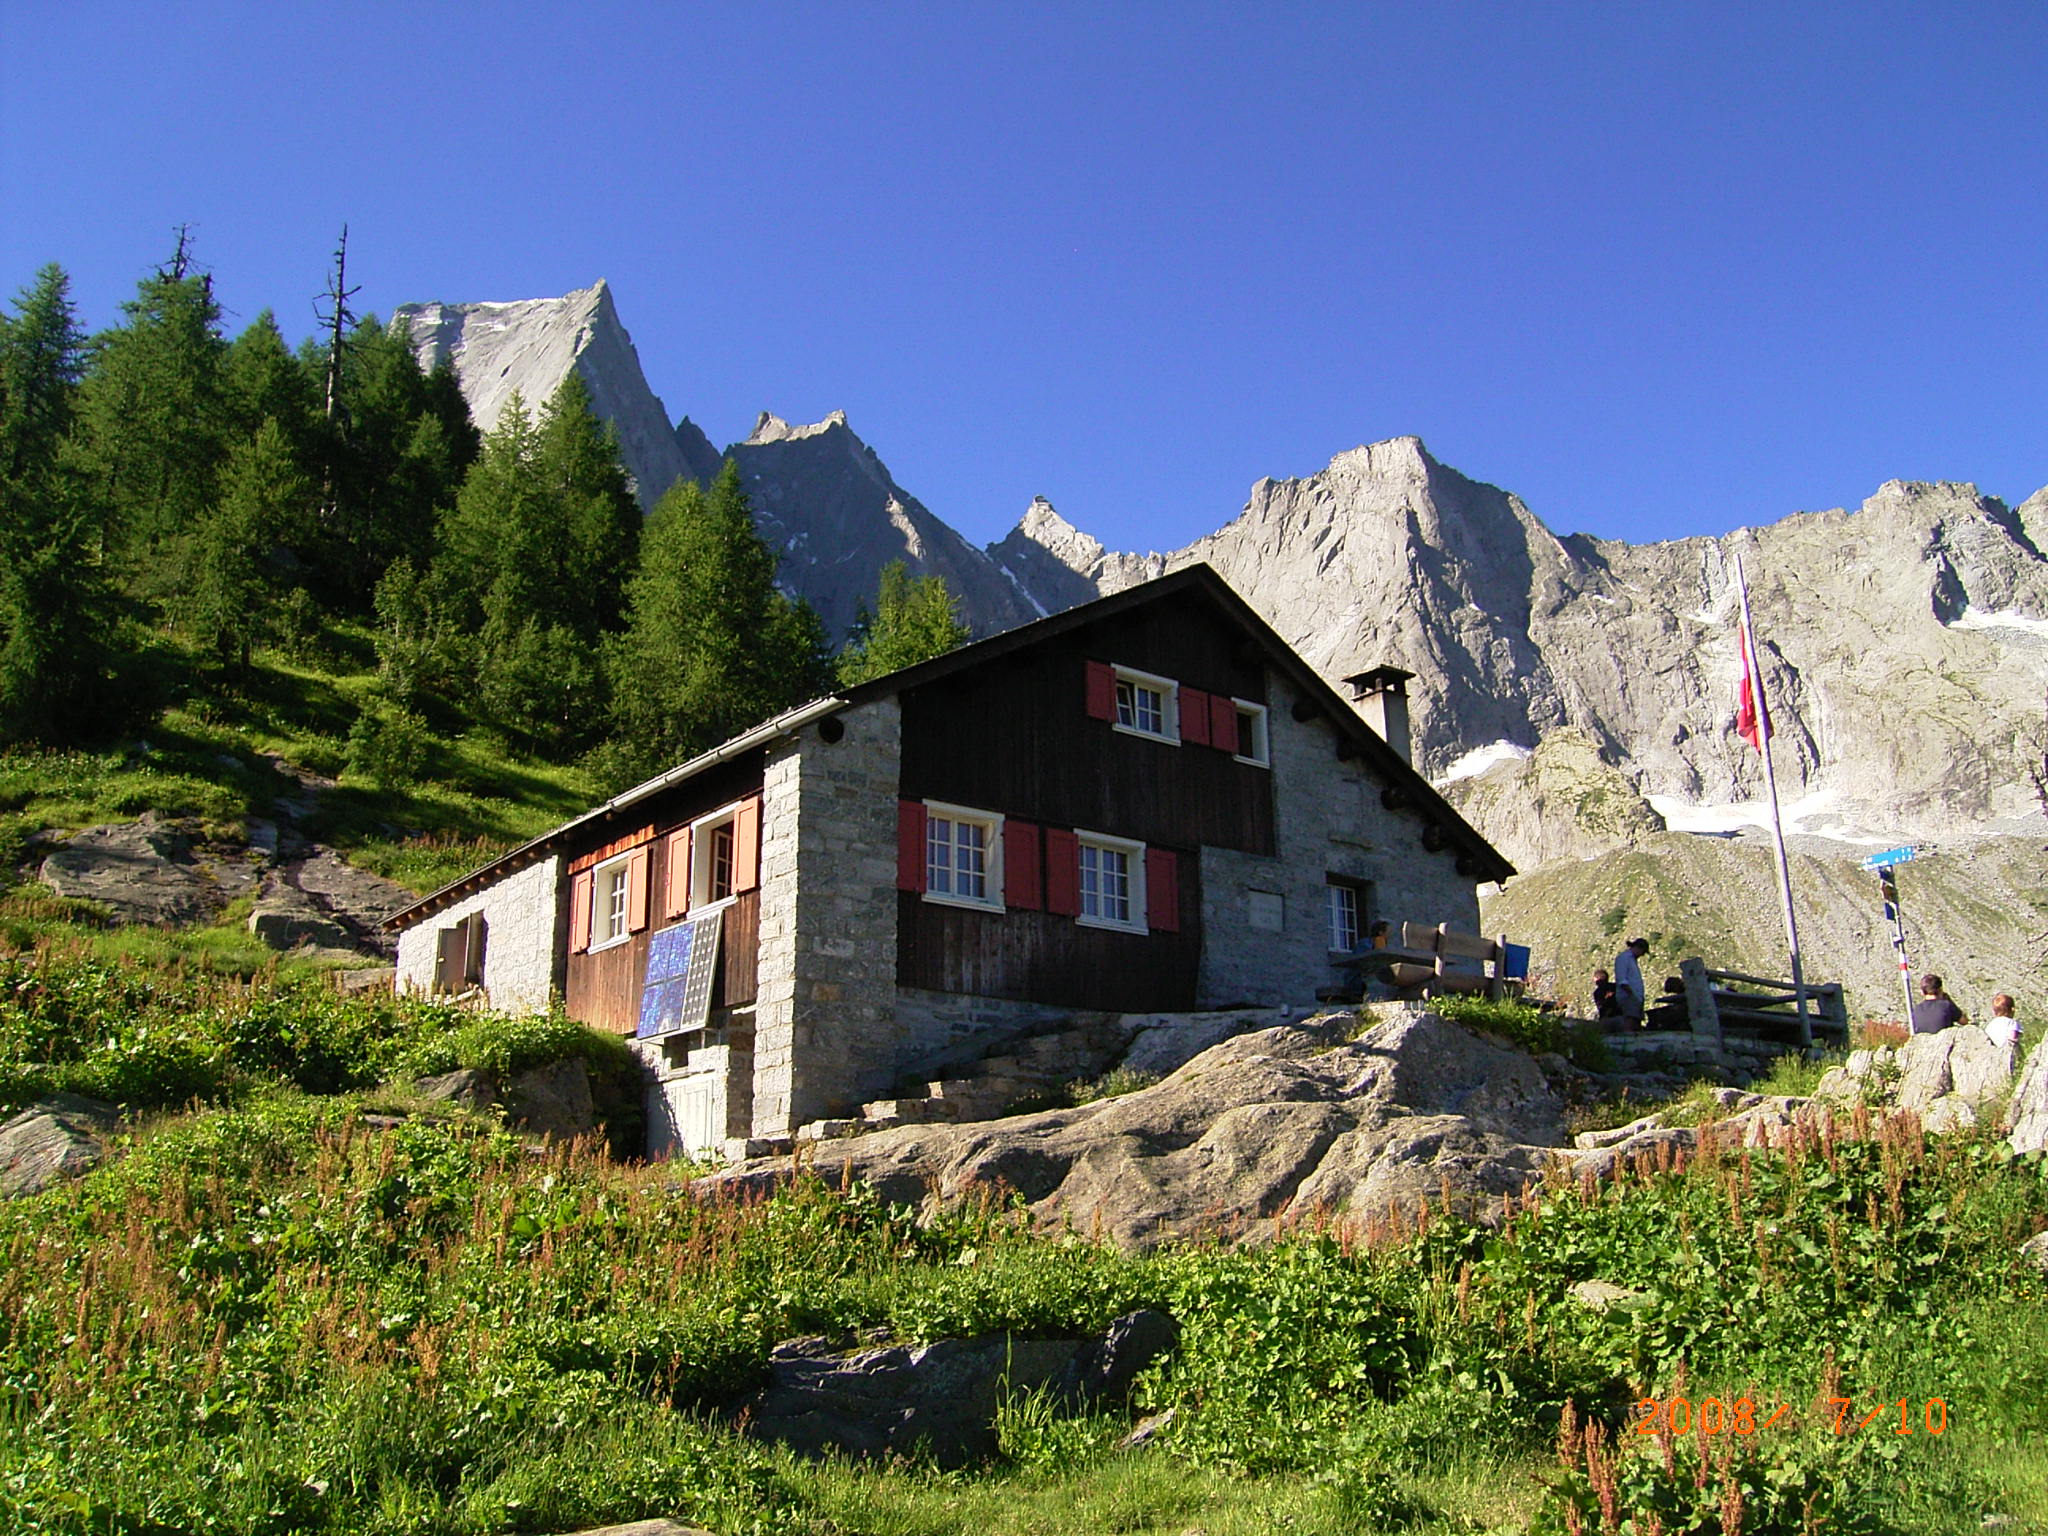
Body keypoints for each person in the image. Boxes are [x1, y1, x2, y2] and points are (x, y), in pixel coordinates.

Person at [1613, 937, 1650, 1027]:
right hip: (1628, 997)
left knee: (1636, 1022)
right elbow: (1622, 980)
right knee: (1630, 1021)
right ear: (1638, 948)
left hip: (1635, 997)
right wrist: (1632, 995)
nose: (1642, 955)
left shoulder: (1632, 960)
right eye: (1643, 952)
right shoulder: (1624, 958)